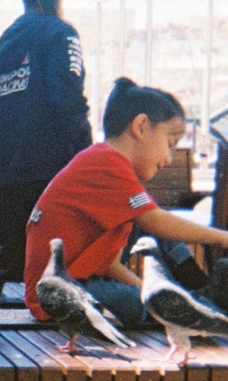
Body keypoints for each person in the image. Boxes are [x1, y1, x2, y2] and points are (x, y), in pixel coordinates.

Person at [24, 77, 228, 327]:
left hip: (69, 286)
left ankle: (194, 292)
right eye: (170, 144)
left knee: (143, 287)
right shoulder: (108, 163)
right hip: (60, 295)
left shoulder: (105, 163)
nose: (169, 157)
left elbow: (108, 262)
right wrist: (222, 237)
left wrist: (150, 292)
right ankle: (199, 304)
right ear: (141, 126)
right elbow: (154, 220)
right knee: (133, 303)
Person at [0, 0, 92, 278]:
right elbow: (68, 98)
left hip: (4, 175)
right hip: (49, 172)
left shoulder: (1, 48)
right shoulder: (61, 34)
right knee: (52, 272)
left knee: (16, 268)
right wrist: (86, 156)